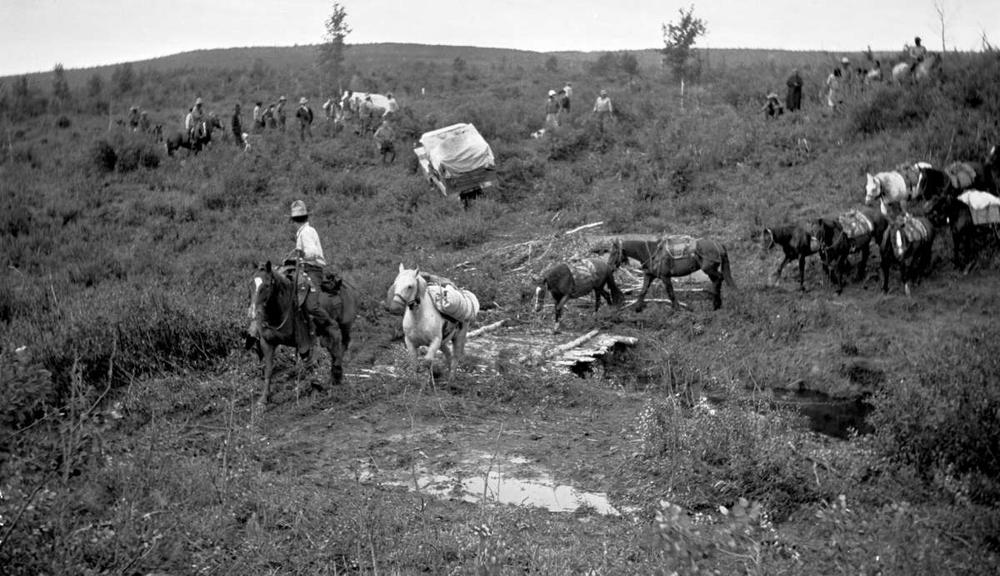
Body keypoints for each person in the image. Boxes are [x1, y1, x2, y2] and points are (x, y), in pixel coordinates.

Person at [288, 200, 338, 354]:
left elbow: (313, 252)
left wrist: (301, 255)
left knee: (311, 306)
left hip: (313, 270)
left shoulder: (306, 232)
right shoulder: (303, 232)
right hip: (304, 269)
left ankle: (330, 326)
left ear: (294, 220)